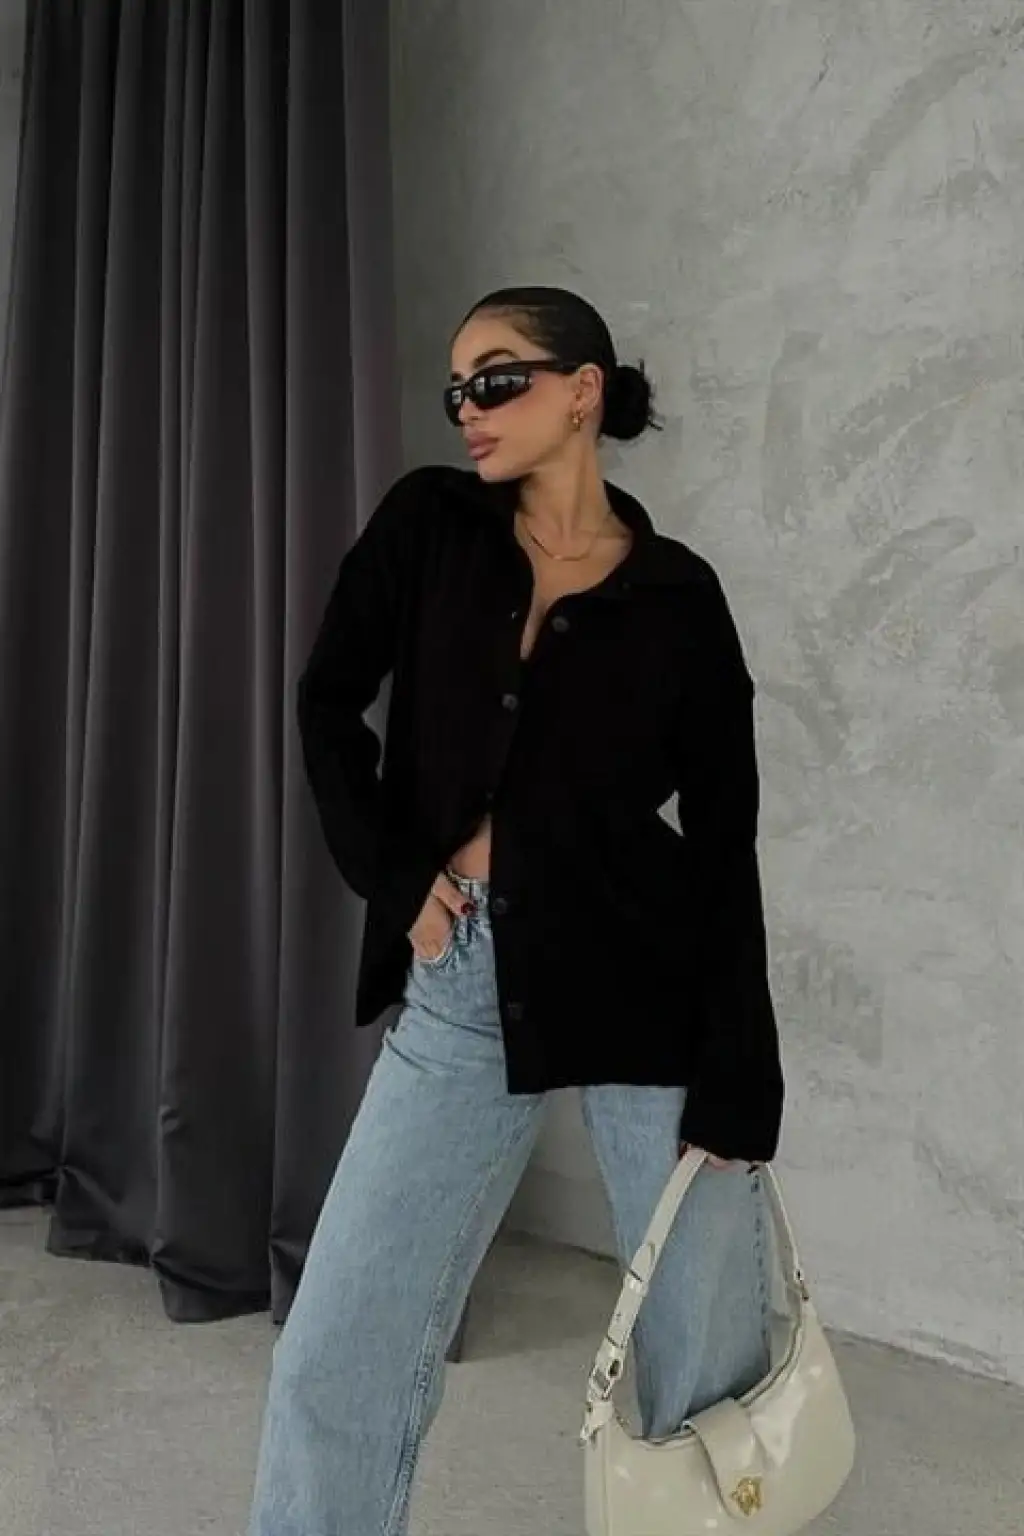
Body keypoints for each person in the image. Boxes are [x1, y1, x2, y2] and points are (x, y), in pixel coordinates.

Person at [246, 285, 784, 1536]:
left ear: (581, 390)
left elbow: (724, 842)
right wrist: (400, 884)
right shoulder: (430, 525)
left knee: (703, 1371)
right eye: (457, 389)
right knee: (337, 1349)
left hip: (648, 984)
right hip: (463, 973)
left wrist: (739, 1071)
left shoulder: (679, 598)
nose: (468, 408)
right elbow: (327, 703)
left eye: (496, 379)